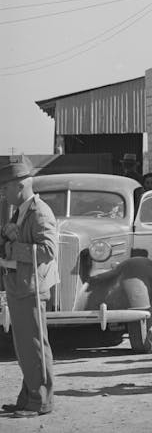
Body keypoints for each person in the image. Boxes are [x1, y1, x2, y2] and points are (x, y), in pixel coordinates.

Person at [0, 161, 58, 418]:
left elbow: (48, 250)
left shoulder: (39, 212)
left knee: (34, 345)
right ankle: (28, 398)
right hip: (20, 286)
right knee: (25, 347)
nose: (4, 193)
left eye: (6, 188)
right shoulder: (22, 211)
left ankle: (39, 402)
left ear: (20, 186)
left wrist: (12, 248)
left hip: (31, 287)